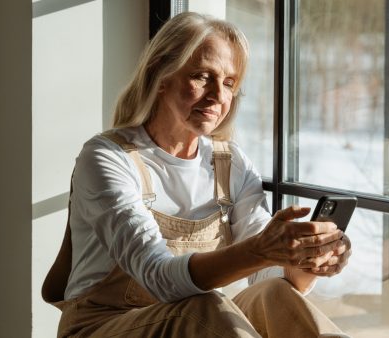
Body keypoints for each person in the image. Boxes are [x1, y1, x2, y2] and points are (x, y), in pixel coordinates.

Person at [42, 12, 352, 338]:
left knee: (274, 293)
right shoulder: (107, 157)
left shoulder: (230, 162)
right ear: (161, 74)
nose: (219, 96)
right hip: (100, 327)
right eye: (203, 76)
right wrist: (260, 250)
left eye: (229, 83)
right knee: (203, 307)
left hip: (190, 323)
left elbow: (267, 274)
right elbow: (158, 276)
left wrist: (305, 261)